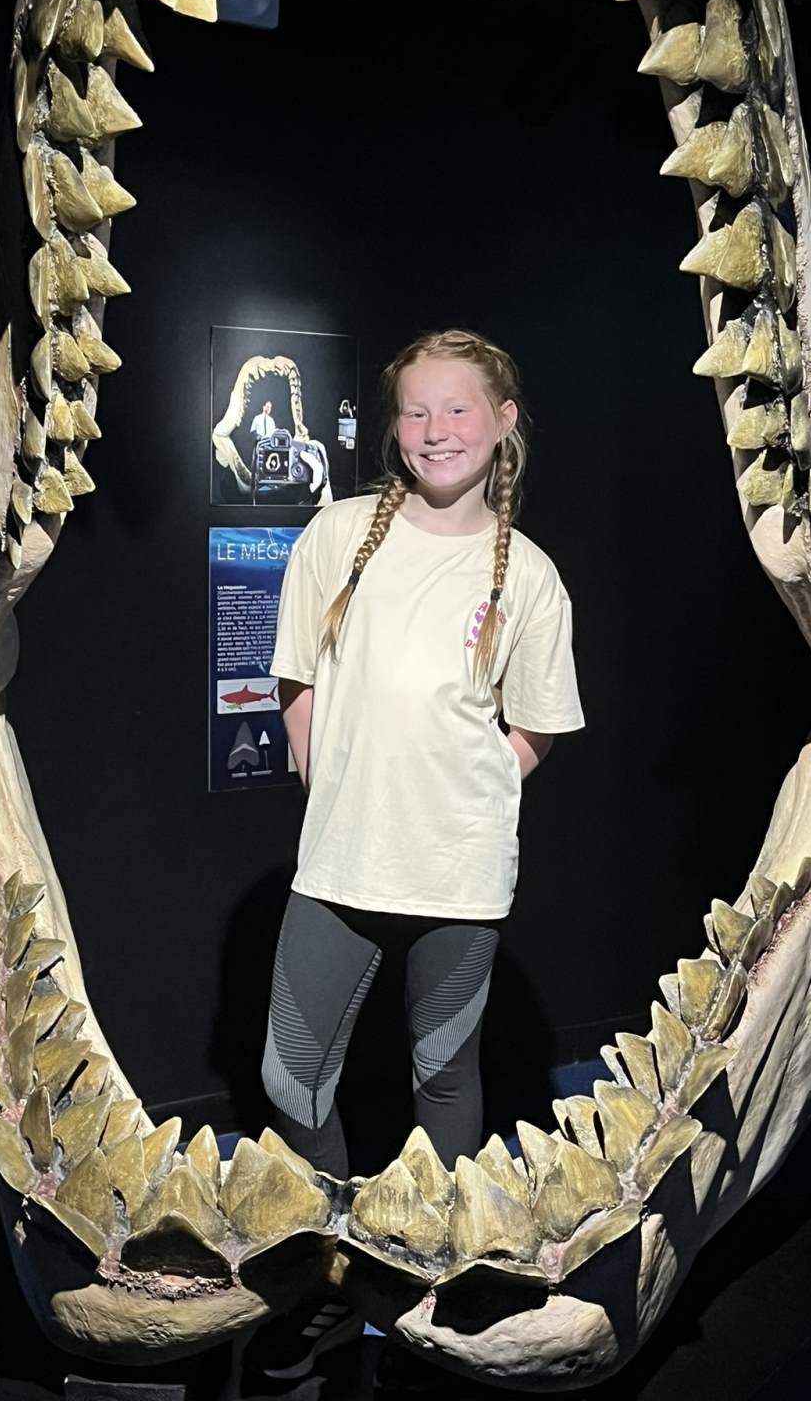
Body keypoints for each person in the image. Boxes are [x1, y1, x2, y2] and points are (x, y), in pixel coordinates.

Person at [253, 329, 584, 1376]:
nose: (437, 430)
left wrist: (464, 796)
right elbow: (296, 675)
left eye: (458, 408)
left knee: (444, 1077)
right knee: (289, 1078)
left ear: (503, 422)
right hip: (342, 858)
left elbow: (534, 727)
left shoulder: (530, 576)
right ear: (394, 426)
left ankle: (427, 1282)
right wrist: (329, 779)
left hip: (459, 874)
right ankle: (332, 1270)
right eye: (416, 410)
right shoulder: (337, 533)